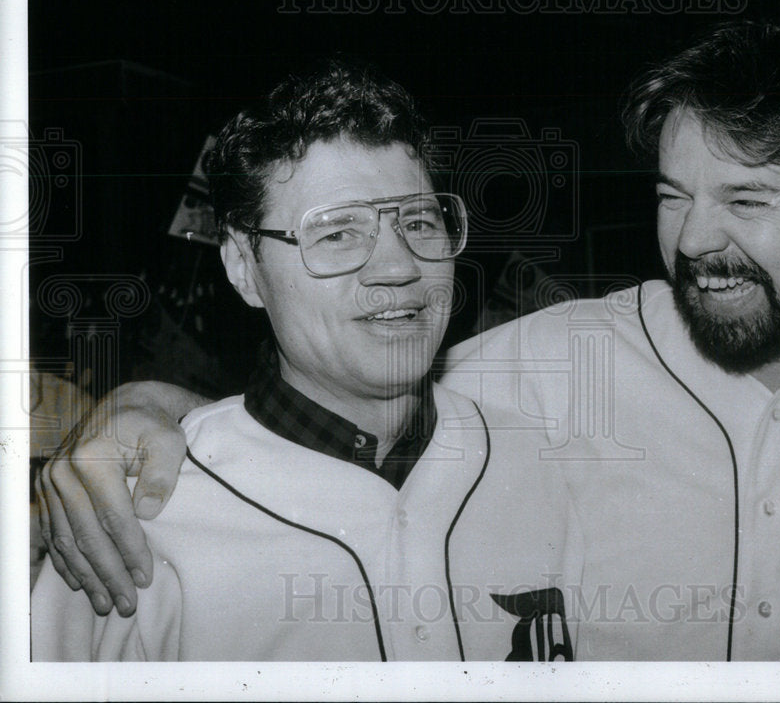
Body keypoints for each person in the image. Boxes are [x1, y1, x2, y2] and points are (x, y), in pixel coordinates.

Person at [37, 11, 780, 661]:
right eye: (671, 196)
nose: (693, 239)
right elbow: (346, 402)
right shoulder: (559, 368)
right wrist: (134, 412)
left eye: (747, 199)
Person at [31, 59, 583, 661]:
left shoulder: (552, 468)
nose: (399, 267)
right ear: (244, 267)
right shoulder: (131, 526)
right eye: (338, 233)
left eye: (419, 221)